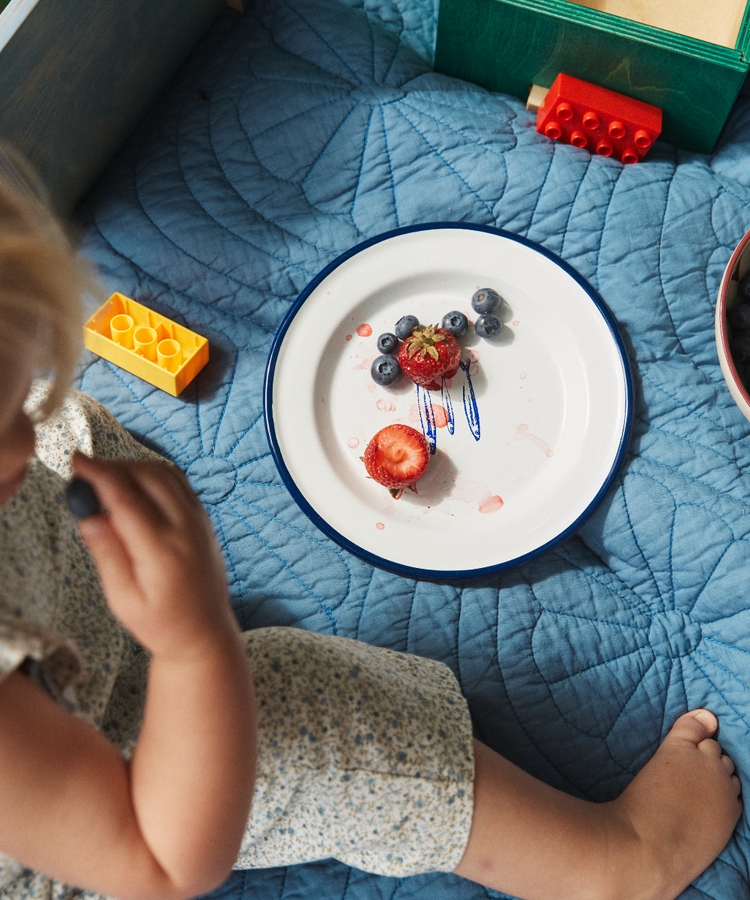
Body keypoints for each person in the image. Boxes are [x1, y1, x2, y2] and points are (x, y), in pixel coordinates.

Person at [0, 147, 741, 900]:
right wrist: (194, 642)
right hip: (113, 799)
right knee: (302, 705)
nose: (23, 442)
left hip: (59, 619)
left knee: (69, 432)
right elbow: (158, 865)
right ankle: (613, 862)